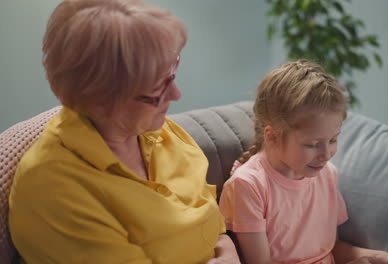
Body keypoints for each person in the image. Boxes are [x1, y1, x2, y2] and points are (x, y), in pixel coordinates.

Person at [8, 0, 240, 263]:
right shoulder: (54, 189)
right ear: (100, 98)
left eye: (171, 75)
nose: (176, 95)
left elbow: (210, 220)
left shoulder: (161, 132)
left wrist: (227, 248)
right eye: (157, 90)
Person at [219, 60, 388, 264]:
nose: (326, 154)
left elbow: (328, 249)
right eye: (313, 144)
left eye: (333, 140)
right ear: (272, 137)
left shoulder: (326, 174)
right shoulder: (248, 186)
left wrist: (368, 256)